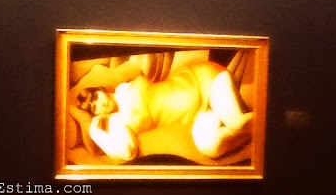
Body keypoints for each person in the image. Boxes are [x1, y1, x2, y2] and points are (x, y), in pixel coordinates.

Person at [76, 60, 253, 161]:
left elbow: (134, 67)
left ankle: (255, 126)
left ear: (100, 89)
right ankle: (252, 134)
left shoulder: (125, 87)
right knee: (210, 146)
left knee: (236, 122)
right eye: (94, 108)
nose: (100, 104)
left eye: (95, 97)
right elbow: (127, 151)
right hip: (199, 113)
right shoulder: (118, 122)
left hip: (202, 81)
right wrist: (94, 131)